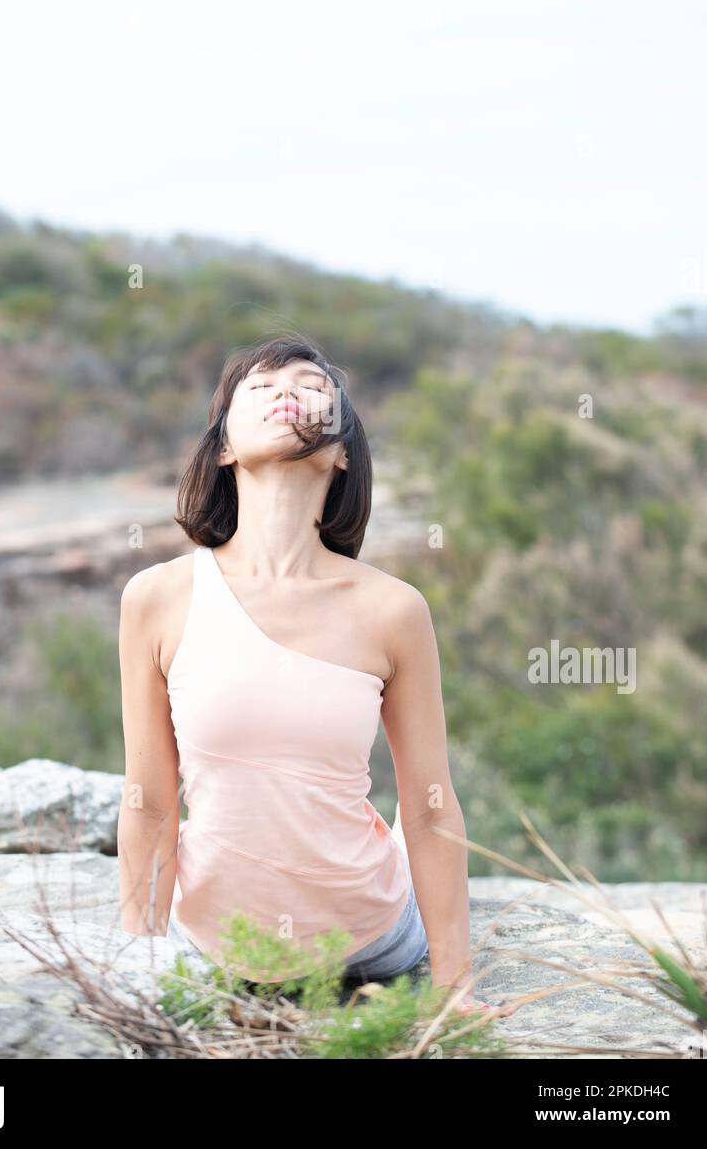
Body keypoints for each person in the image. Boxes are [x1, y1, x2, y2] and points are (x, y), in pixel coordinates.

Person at [118, 333, 512, 1017]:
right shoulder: (157, 597)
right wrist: (138, 966)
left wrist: (455, 986)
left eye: (310, 386)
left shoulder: (392, 609)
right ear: (223, 448)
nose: (286, 393)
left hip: (369, 938)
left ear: (339, 452)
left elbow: (428, 805)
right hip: (213, 939)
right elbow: (150, 801)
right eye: (261, 388)